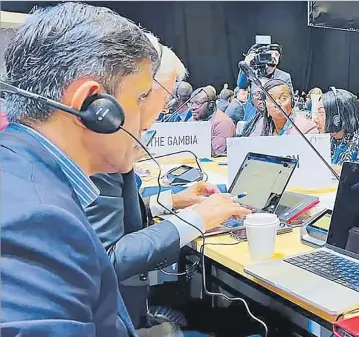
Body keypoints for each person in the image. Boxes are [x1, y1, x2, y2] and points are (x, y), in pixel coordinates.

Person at [1, 3, 157, 335]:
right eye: (141, 98)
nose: (146, 122)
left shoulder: (21, 166)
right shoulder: (37, 222)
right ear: (93, 105)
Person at [86, 34, 251, 334]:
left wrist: (173, 202)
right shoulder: (105, 146)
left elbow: (117, 214)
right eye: (165, 93)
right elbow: (107, 256)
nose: (168, 105)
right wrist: (197, 219)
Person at [322, 88, 359, 166]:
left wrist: (324, 169)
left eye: (321, 113)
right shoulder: (331, 137)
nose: (315, 119)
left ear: (337, 118)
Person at [237, 42, 293, 122]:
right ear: (264, 56)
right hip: (253, 117)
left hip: (274, 118)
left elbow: (290, 99)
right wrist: (247, 64)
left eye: (277, 55)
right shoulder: (253, 72)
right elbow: (241, 85)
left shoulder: (285, 76)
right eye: (270, 54)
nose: (273, 57)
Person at [242, 79, 318, 136]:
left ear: (292, 102)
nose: (277, 103)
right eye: (272, 99)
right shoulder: (261, 125)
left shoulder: (307, 128)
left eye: (283, 98)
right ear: (265, 105)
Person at [190, 86, 236, 156]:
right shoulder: (196, 118)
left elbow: (215, 155)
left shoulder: (223, 123)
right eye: (191, 103)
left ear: (210, 105)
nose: (192, 107)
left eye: (197, 103)